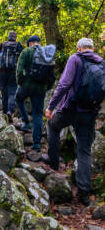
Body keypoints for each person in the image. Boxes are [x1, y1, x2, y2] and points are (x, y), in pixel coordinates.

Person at [45, 38, 104, 206]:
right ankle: (84, 194)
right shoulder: (102, 63)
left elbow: (64, 85)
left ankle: (54, 162)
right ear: (92, 48)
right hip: (90, 113)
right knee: (84, 150)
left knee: (52, 125)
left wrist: (51, 106)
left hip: (70, 109)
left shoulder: (75, 58)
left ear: (79, 48)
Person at [16, 35, 56, 152]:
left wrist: (21, 83)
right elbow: (52, 76)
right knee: (38, 114)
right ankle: (37, 144)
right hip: (41, 89)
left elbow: (19, 70)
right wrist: (47, 87)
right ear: (39, 42)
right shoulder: (47, 54)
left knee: (18, 99)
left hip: (26, 86)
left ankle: (26, 122)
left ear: (30, 43)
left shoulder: (26, 52)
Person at [0, 31, 23, 123]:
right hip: (13, 73)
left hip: (2, 73)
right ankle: (10, 111)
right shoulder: (18, 46)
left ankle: (5, 113)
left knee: (4, 92)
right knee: (12, 92)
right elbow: (23, 59)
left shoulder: (2, 45)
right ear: (15, 38)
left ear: (8, 37)